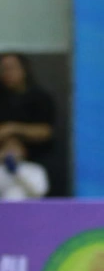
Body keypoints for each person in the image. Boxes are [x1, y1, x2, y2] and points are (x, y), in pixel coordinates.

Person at [0, 52, 58, 191]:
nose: (7, 73)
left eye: (11, 68)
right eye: (3, 69)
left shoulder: (40, 98)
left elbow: (46, 131)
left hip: (34, 159)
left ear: (24, 69)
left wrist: (13, 129)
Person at [0, 136, 48, 201]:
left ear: (23, 150)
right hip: (3, 208)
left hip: (30, 207)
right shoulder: (1, 169)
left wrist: (17, 173)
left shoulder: (34, 169)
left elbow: (39, 192)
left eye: (15, 147)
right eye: (7, 147)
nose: (11, 151)